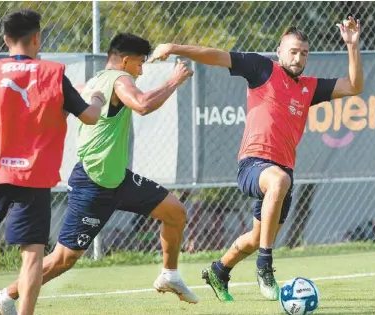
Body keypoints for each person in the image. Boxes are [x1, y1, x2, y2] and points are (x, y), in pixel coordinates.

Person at [149, 16, 363, 301]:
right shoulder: (262, 68)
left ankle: (219, 270)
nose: (299, 57)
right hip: (253, 164)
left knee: (255, 237)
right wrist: (174, 47)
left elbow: (354, 87)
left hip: (282, 173)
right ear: (279, 51)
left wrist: (352, 46)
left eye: (304, 53)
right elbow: (216, 56)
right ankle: (265, 267)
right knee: (278, 184)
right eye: (293, 51)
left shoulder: (309, 87)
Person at [0, 32, 198, 315]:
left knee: (174, 212)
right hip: (94, 182)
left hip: (117, 179)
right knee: (64, 259)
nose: (142, 70)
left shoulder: (95, 81)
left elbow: (67, 96)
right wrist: (174, 80)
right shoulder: (119, 80)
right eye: (140, 63)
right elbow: (143, 105)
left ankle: (169, 274)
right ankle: (6, 295)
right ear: (125, 61)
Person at [0, 8, 105, 315]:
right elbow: (90, 116)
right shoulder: (54, 74)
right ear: (37, 38)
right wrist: (97, 97)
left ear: (6, 39)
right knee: (32, 255)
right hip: (34, 175)